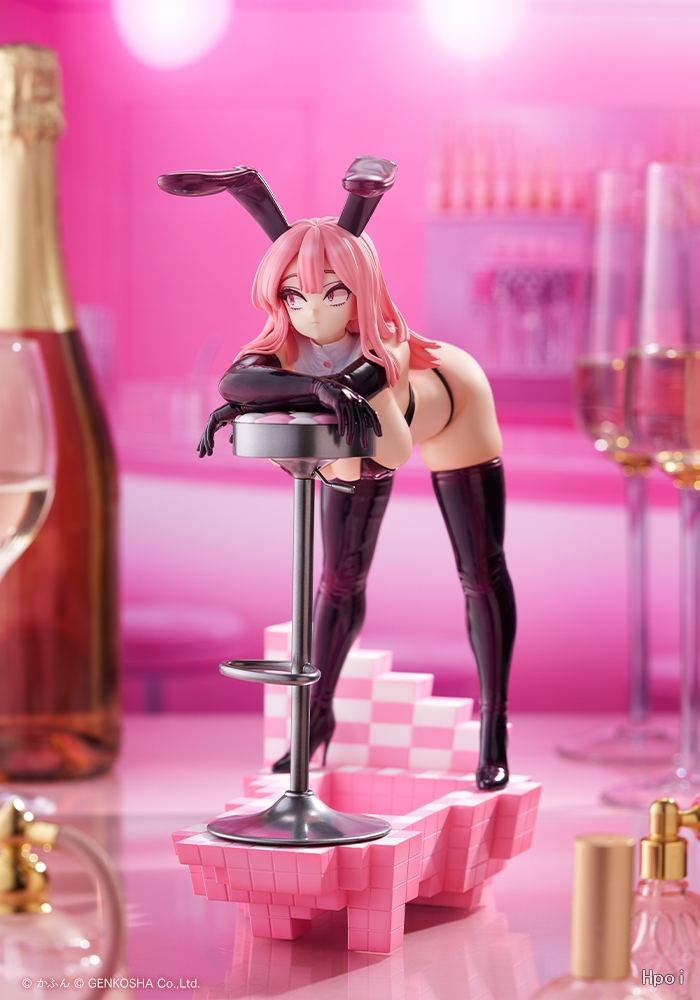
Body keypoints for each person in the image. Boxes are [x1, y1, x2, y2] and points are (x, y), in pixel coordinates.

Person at [161, 158, 515, 790]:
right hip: (356, 448)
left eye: (334, 294)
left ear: (361, 291)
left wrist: (314, 388)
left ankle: (494, 725)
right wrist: (320, 386)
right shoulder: (288, 343)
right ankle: (317, 716)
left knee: (479, 571)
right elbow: (237, 381)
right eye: (294, 296)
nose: (313, 314)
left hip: (449, 411)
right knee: (339, 580)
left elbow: (381, 427)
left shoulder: (387, 347)